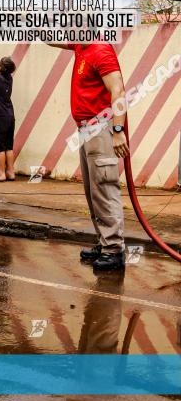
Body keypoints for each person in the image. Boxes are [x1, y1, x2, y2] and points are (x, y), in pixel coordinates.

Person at [48, 41, 129, 271]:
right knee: (92, 191)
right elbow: (48, 36)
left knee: (104, 187)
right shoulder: (80, 46)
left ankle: (113, 249)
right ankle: (104, 242)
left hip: (101, 127)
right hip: (85, 130)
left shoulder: (100, 49)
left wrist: (118, 130)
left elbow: (118, 90)